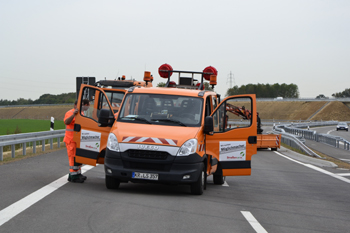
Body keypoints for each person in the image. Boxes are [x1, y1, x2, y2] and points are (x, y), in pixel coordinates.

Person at [64, 99, 90, 183]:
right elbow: (66, 122)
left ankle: (78, 174)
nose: (81, 107)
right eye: (80, 105)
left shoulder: (81, 113)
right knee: (72, 158)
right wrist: (74, 115)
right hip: (71, 140)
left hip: (77, 140)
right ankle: (73, 176)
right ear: (75, 105)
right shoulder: (70, 113)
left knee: (78, 158)